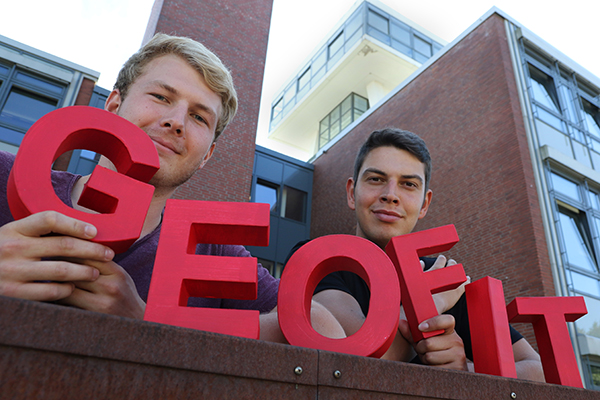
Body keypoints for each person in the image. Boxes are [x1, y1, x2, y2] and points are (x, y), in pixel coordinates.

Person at [0, 33, 343, 341]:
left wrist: (151, 320)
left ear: (207, 154)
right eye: (162, 97)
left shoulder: (211, 251)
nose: (176, 122)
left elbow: (323, 326)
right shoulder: (6, 176)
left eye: (198, 117)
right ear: (114, 105)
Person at [286, 128, 544, 380]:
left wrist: (466, 371)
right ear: (352, 193)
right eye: (376, 179)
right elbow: (350, 362)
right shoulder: (316, 260)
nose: (390, 195)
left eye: (408, 184)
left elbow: (537, 369)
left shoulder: (443, 277)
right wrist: (428, 303)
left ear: (425, 204)